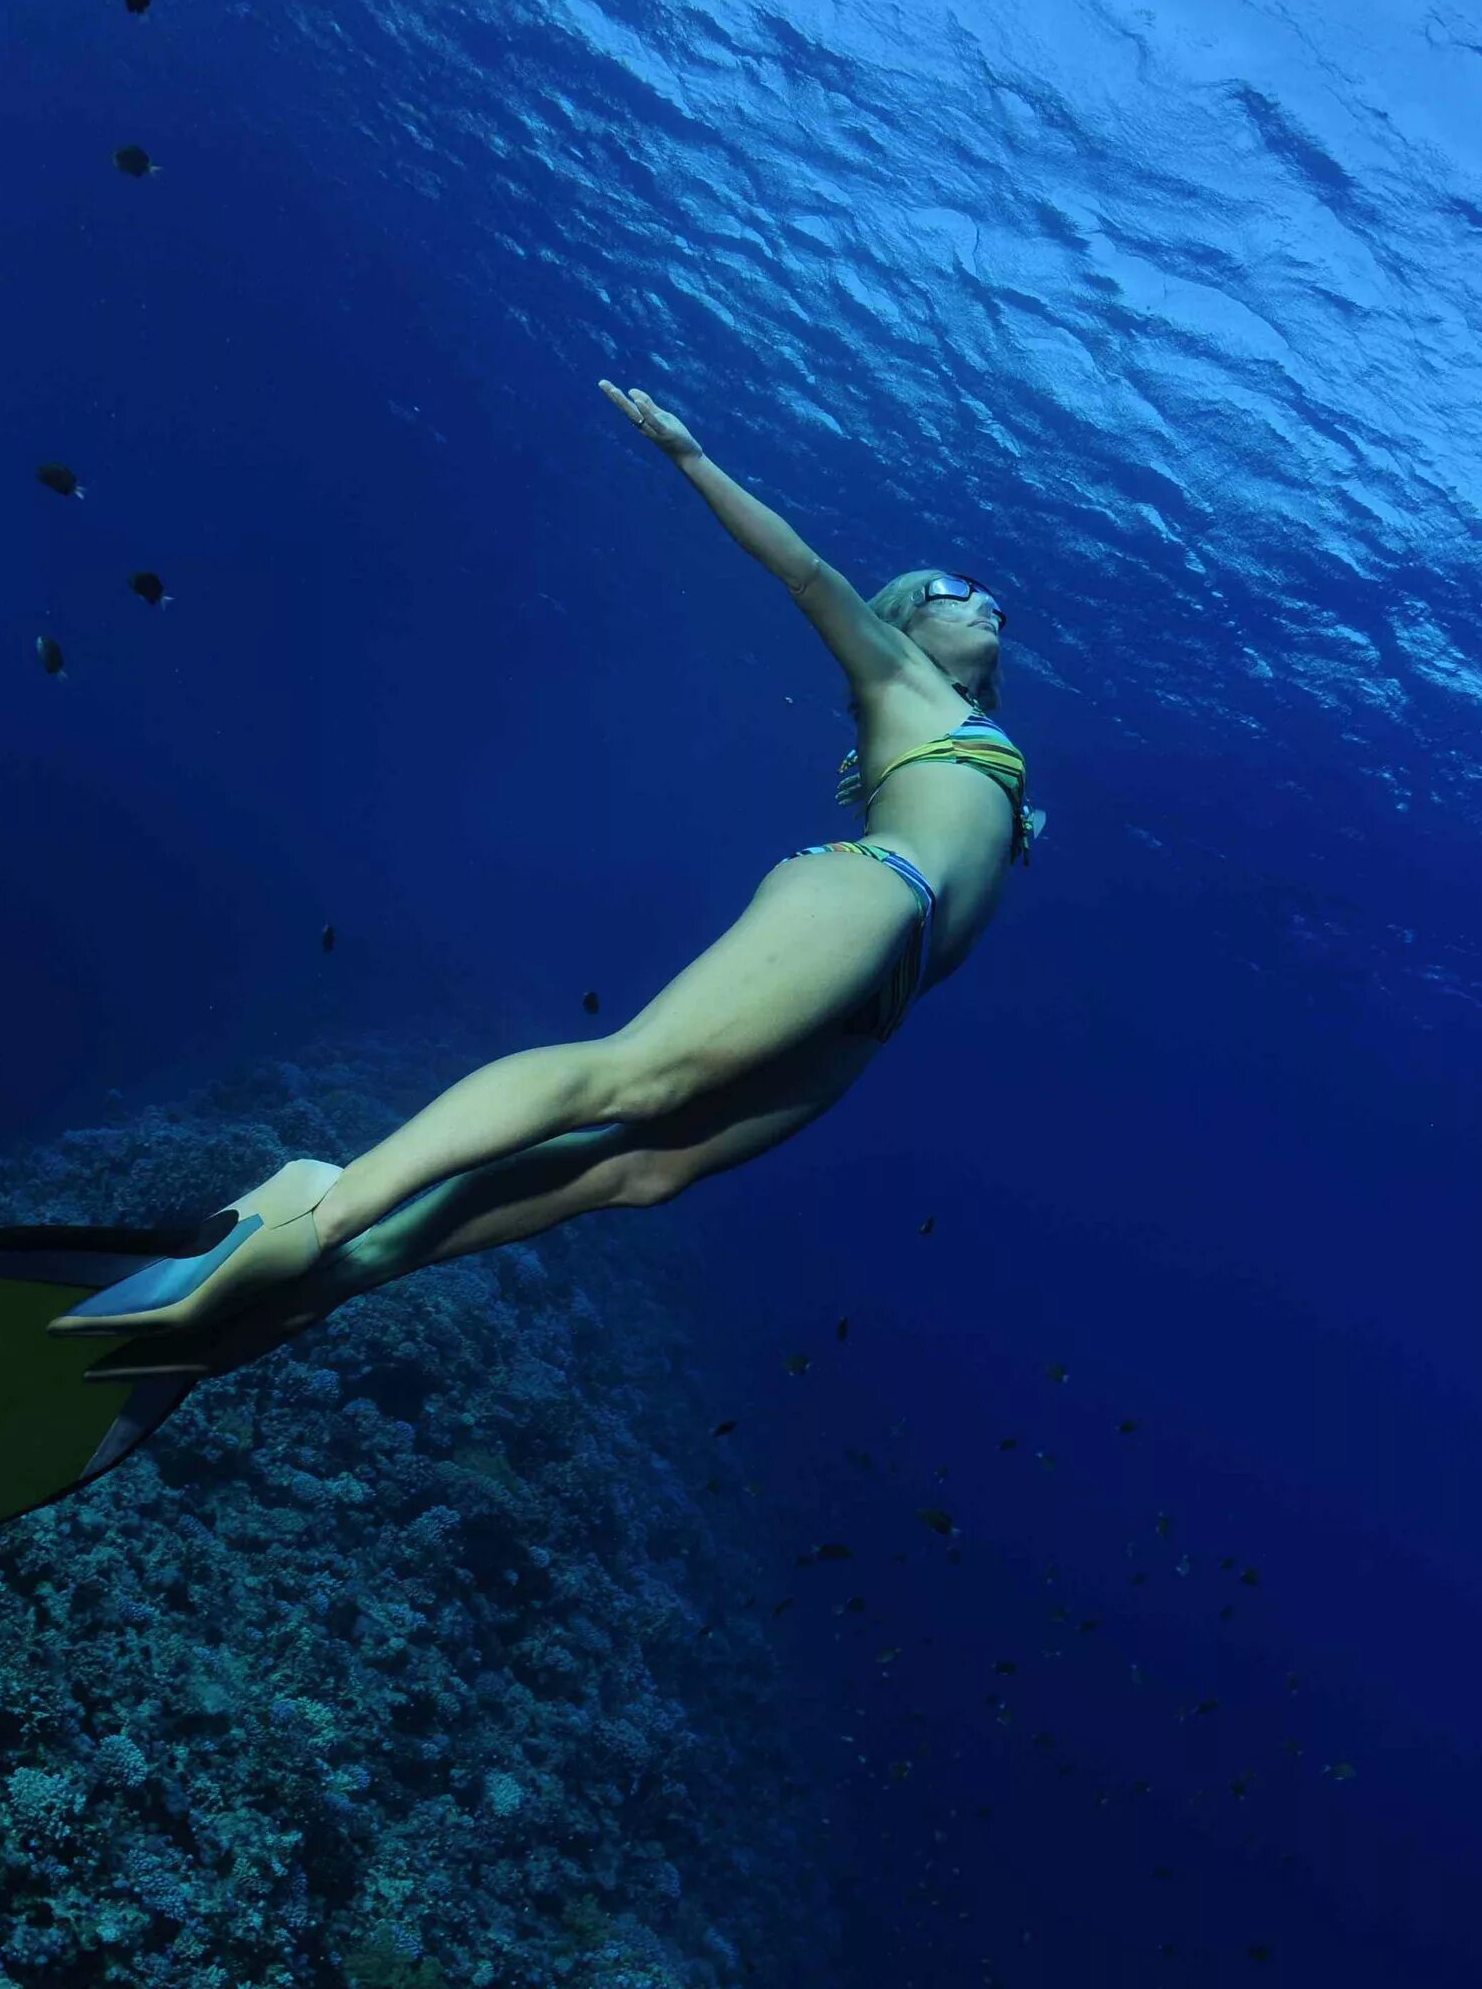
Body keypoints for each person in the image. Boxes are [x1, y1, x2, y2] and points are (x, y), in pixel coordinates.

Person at [53, 381, 1045, 1385]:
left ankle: (337, 1276)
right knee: (635, 1073)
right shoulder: (899, 681)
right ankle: (316, 1206)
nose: (988, 601)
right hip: (877, 895)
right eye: (961, 588)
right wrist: (692, 458)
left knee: (643, 1171)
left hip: (886, 999)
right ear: (907, 620)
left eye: (993, 599)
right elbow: (805, 570)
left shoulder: (976, 728)